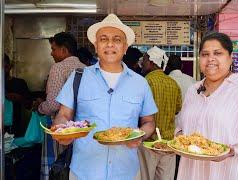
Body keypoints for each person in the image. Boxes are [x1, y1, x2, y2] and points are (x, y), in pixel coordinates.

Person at [54, 13, 158, 180]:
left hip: (127, 172)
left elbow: (149, 122)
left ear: (125, 48)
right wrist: (61, 130)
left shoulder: (140, 83)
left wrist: (140, 135)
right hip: (84, 172)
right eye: (103, 39)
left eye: (117, 39)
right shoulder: (78, 77)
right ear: (96, 46)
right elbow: (63, 115)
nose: (110, 44)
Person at [175, 32, 238, 180]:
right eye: (205, 54)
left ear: (230, 58)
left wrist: (232, 150)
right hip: (192, 173)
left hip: (231, 173)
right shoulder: (193, 90)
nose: (210, 58)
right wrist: (177, 142)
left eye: (218, 53)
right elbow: (182, 129)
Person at [35, 32, 85, 180]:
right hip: (81, 129)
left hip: (61, 128)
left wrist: (39, 107)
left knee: (58, 167)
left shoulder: (58, 68)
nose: (51, 53)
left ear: (64, 50)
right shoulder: (85, 68)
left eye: (53, 49)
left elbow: (53, 104)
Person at [138, 46, 182, 180]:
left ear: (151, 62)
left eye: (144, 60)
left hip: (148, 143)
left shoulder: (145, 82)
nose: (142, 64)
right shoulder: (173, 83)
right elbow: (177, 109)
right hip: (168, 144)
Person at [4, 53, 31, 137]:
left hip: (16, 127)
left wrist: (20, 98)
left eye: (5, 67)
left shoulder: (19, 83)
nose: (3, 70)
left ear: (10, 66)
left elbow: (29, 104)